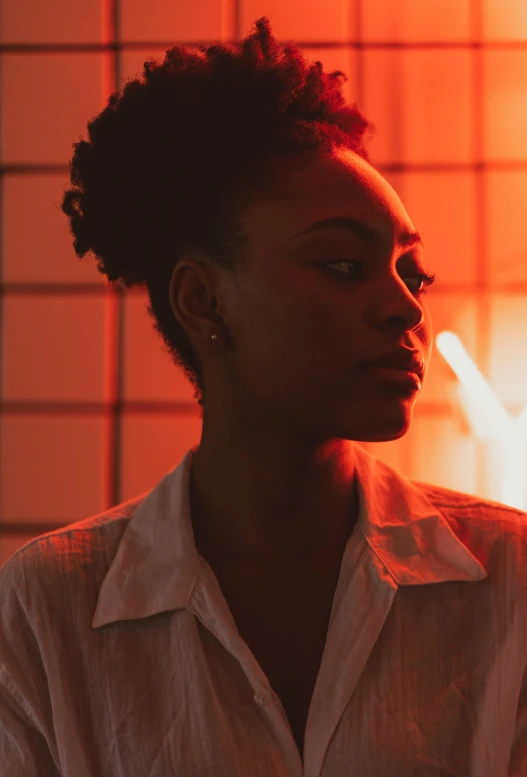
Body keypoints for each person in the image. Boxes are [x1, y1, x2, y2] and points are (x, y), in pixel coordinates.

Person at [1, 16, 527, 776]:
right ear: (204, 301)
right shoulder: (51, 605)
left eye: (412, 275)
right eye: (345, 265)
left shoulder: (507, 580)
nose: (406, 309)